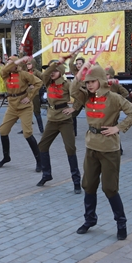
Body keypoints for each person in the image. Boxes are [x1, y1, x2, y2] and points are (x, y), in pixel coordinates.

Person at [71, 63, 132, 241]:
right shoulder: (86, 97)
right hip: (91, 146)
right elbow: (73, 89)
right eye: (87, 82)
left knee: (110, 188)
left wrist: (118, 127)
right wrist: (81, 71)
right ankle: (90, 220)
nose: (89, 85)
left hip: (109, 149)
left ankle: (121, 222)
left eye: (92, 82)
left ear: (101, 81)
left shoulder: (114, 98)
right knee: (88, 185)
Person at [36, 59, 82, 193]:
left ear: (61, 72)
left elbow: (80, 97)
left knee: (70, 149)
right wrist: (53, 66)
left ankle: (76, 181)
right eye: (51, 70)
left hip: (65, 121)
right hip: (52, 120)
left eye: (55, 70)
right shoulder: (47, 81)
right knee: (42, 146)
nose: (52, 73)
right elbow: (45, 74)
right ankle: (47, 174)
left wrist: (74, 108)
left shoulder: (67, 84)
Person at [0, 55, 43, 170]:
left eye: (11, 63)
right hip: (12, 106)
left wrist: (30, 97)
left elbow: (39, 82)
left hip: (24, 106)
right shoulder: (5, 74)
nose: (8, 65)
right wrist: (16, 61)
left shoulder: (24, 74)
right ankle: (6, 157)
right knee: (3, 130)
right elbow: (4, 70)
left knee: (27, 133)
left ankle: (39, 161)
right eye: (8, 63)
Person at [106, 66, 129, 155]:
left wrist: (118, 102)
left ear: (111, 75)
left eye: (107, 75)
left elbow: (125, 93)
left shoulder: (115, 84)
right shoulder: (103, 83)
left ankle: (119, 148)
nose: (105, 76)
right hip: (104, 109)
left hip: (113, 109)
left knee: (114, 128)